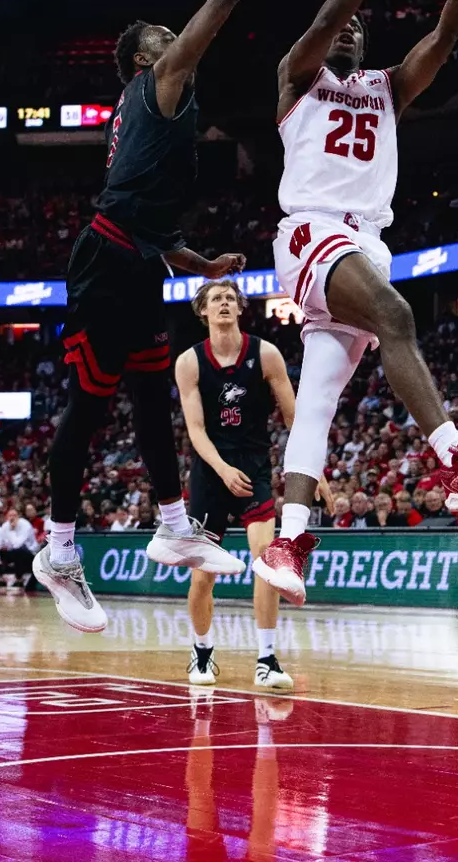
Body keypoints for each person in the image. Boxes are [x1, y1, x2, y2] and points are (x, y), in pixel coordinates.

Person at [254, 0, 458, 604]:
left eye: (361, 24)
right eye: (341, 22)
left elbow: (445, 34)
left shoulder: (389, 87)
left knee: (316, 403)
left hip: (366, 242)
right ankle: (457, 460)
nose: (348, 27)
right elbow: (323, 23)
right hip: (311, 231)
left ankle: (288, 544)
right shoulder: (297, 77)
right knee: (396, 317)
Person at [37, 0, 297, 633]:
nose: (176, 33)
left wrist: (198, 262)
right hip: (106, 263)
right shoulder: (158, 83)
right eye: (163, 33)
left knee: (152, 397)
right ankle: (58, 549)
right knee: (89, 409)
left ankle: (173, 523)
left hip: (135, 259)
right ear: (145, 57)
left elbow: (142, 214)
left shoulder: (152, 112)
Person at [177, 278, 317, 691]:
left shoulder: (265, 354)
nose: (223, 303)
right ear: (202, 311)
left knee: (267, 561)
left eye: (229, 299)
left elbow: (295, 420)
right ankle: (202, 652)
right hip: (210, 472)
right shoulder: (189, 362)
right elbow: (196, 430)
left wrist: (316, 470)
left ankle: (267, 659)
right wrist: (221, 469)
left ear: (240, 309)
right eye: (215, 299)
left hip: (254, 468)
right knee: (203, 574)